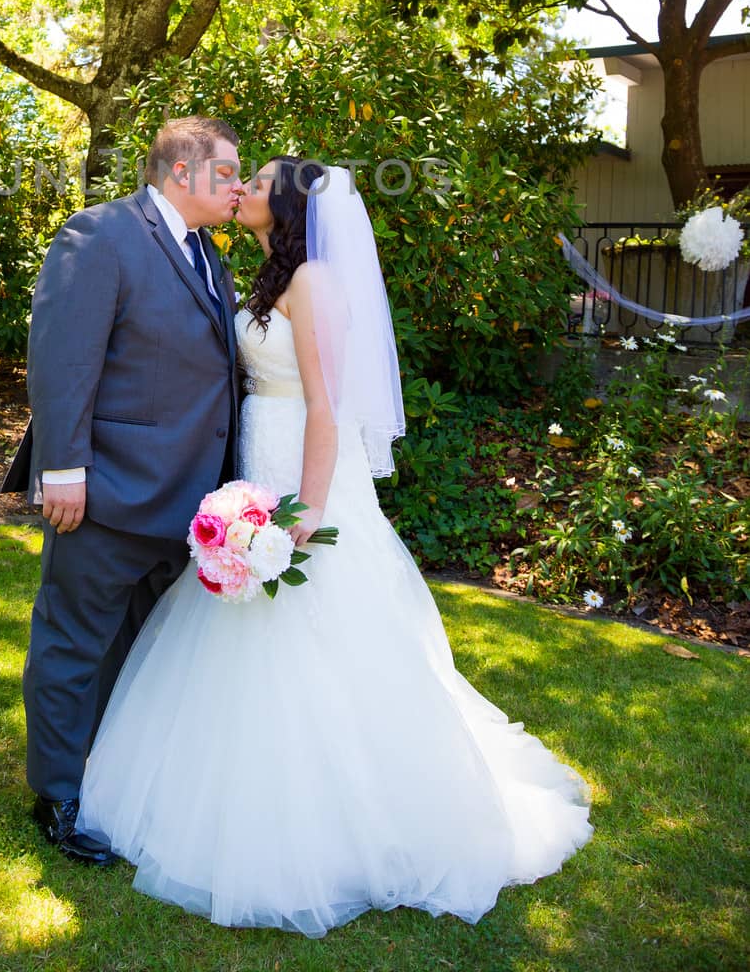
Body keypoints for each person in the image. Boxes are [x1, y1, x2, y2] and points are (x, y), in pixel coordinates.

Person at [77, 157, 593, 935]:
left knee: (317, 621)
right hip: (259, 454)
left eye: (256, 183)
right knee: (244, 617)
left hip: (303, 468)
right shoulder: (261, 276)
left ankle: (349, 810)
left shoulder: (313, 280)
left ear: (284, 206)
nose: (241, 188)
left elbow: (327, 406)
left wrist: (307, 511)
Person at [0, 117, 244, 866]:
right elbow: (62, 357)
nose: (239, 186)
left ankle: (108, 770)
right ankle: (59, 797)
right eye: (229, 172)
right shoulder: (99, 234)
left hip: (186, 496)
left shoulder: (207, 255)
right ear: (181, 172)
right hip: (105, 486)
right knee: (74, 640)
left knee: (136, 647)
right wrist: (62, 469)